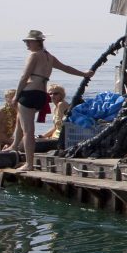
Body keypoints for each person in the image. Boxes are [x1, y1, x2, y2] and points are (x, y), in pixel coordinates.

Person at [14, 30, 94, 171]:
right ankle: (14, 146)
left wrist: (16, 96)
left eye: (29, 41)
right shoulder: (48, 56)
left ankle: (29, 164)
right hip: (41, 95)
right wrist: (84, 74)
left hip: (29, 92)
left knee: (28, 130)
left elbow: (24, 76)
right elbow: (66, 68)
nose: (26, 43)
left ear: (37, 42)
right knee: (21, 121)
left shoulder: (33, 55)